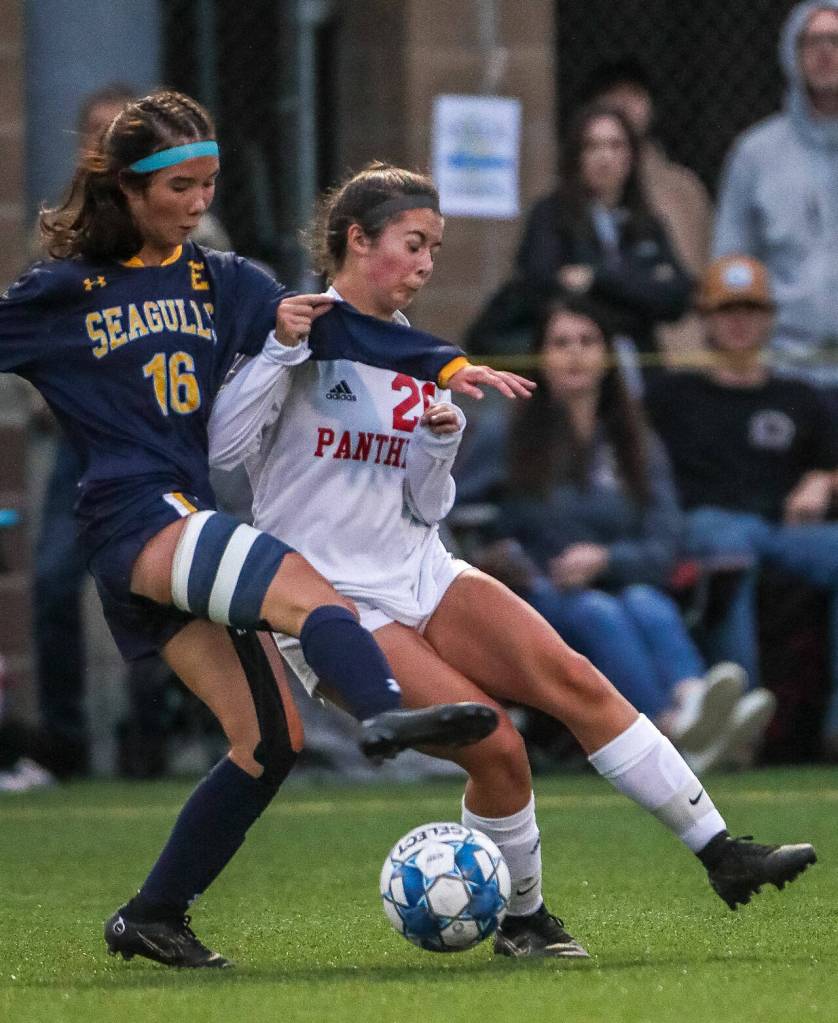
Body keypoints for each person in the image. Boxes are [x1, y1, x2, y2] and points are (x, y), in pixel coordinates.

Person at [208, 162, 816, 963]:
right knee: (496, 744)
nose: (427, 264)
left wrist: (438, 441)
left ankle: (722, 853)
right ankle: (524, 919)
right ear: (356, 240)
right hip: (334, 601)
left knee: (576, 680)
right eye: (413, 243)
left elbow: (428, 507)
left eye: (435, 247)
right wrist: (281, 351)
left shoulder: (412, 358)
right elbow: (221, 449)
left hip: (422, 569)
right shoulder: (297, 329)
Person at [0, 91, 538, 968]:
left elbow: (347, 333)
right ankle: (385, 718)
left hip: (178, 520)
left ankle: (153, 912)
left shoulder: (225, 279)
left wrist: (446, 362)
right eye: (181, 185)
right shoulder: (63, 291)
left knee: (272, 739)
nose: (199, 201)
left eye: (209, 183)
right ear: (126, 189)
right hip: (130, 515)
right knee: (310, 592)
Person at [467, 293, 775, 771]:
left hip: (623, 582)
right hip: (535, 591)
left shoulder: (635, 439)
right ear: (540, 355)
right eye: (561, 342)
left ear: (609, 356)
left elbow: (666, 541)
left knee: (645, 604)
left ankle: (696, 706)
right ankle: (671, 730)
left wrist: (607, 560)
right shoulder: (506, 432)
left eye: (588, 341)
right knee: (599, 612)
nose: (574, 353)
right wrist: (499, 558)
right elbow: (451, 509)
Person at [647, 254, 838, 765]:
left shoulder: (801, 397)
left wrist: (822, 479)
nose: (739, 321)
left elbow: (830, 457)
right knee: (729, 544)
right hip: (706, 529)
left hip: (784, 530)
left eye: (752, 309)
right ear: (705, 318)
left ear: (770, 318)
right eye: (728, 309)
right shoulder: (671, 394)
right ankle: (740, 729)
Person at [713, 1, 838, 403]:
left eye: (836, 40)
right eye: (812, 41)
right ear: (792, 53)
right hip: (782, 372)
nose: (825, 52)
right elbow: (730, 265)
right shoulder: (756, 154)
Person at [514, 102, 692, 367]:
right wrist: (638, 289)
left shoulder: (647, 223)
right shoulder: (552, 215)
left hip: (642, 366)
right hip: (576, 367)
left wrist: (597, 278)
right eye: (593, 146)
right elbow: (541, 283)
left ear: (631, 155)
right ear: (577, 155)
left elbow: (677, 296)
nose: (605, 156)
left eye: (615, 145)